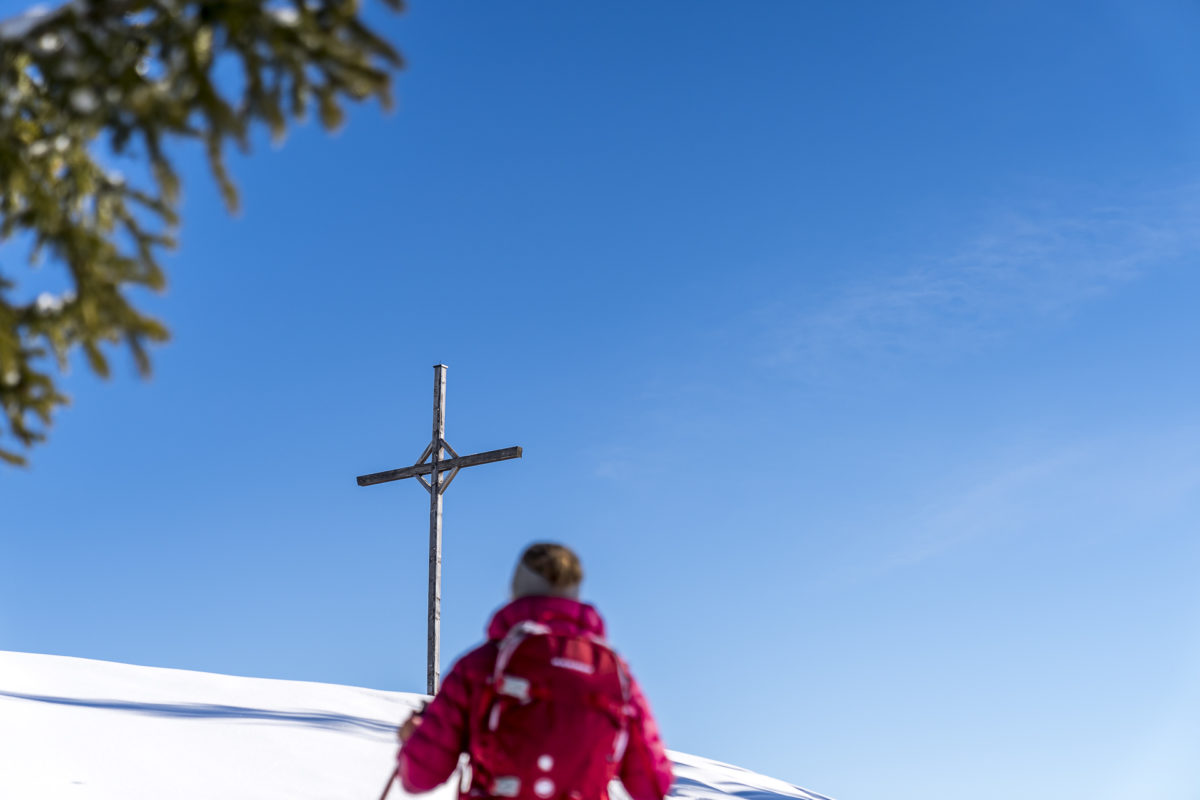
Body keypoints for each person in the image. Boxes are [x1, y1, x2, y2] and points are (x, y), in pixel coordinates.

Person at [395, 543, 673, 800]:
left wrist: (414, 737)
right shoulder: (615, 673)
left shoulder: (480, 664)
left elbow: (421, 776)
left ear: (515, 589)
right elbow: (652, 783)